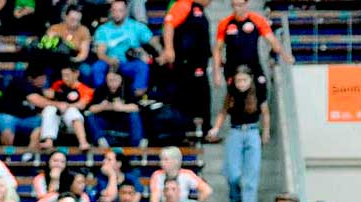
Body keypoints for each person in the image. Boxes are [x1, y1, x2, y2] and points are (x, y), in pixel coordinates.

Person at [208, 65, 269, 202]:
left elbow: (265, 112)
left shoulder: (258, 93)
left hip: (252, 131)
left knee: (250, 177)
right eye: (238, 81)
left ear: (250, 80)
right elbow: (223, 112)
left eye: (244, 80)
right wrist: (216, 128)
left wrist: (266, 131)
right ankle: (235, 197)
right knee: (232, 172)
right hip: (235, 131)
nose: (241, 84)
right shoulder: (232, 94)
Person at [85, 0, 158, 97]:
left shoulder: (136, 26)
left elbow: (152, 40)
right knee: (97, 67)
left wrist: (160, 51)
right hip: (109, 60)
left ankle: (136, 97)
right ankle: (100, 96)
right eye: (114, 11)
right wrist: (109, 60)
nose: (117, 14)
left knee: (142, 66)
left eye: (120, 10)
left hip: (128, 62)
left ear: (126, 11)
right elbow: (101, 54)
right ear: (111, 11)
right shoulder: (103, 29)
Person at [213, 0, 292, 88]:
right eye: (234, 5)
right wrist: (217, 72)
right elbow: (218, 49)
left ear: (246, 4)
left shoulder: (257, 20)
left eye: (240, 5)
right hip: (232, 66)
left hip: (252, 63)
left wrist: (284, 55)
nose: (237, 8)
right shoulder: (225, 23)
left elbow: (272, 40)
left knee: (261, 90)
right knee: (236, 95)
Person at [160, 0, 211, 135]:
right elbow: (169, 25)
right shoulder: (183, 4)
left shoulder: (198, 8)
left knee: (202, 94)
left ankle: (202, 130)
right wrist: (169, 49)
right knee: (187, 96)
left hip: (198, 61)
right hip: (186, 62)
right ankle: (185, 131)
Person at [0, 65, 50, 146]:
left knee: (43, 122)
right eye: (41, 79)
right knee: (7, 124)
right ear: (31, 78)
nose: (44, 81)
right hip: (6, 115)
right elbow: (34, 99)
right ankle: (8, 155)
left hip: (26, 120)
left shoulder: (39, 90)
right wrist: (59, 104)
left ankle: (30, 154)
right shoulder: (19, 82)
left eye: (44, 79)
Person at [38, 63, 92, 150]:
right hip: (58, 121)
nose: (64, 78)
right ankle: (48, 141)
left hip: (74, 123)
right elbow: (48, 94)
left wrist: (66, 105)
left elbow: (82, 105)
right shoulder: (58, 85)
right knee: (49, 109)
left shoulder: (85, 89)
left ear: (76, 74)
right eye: (63, 75)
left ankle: (83, 142)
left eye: (67, 75)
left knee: (72, 111)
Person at [85, 67, 143, 147]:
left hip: (123, 122)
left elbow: (136, 107)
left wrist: (122, 107)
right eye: (110, 80)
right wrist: (101, 106)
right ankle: (101, 140)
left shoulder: (127, 88)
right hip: (105, 121)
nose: (113, 83)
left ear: (121, 79)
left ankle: (136, 144)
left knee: (134, 115)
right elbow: (90, 108)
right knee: (90, 116)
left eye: (115, 80)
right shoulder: (101, 89)